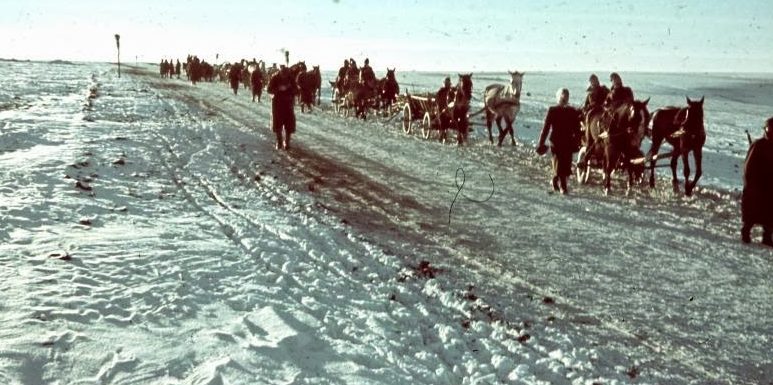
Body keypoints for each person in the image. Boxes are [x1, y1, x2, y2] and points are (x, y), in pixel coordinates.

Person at [536, 88, 582, 194]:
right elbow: (546, 128)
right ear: (559, 97)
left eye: (566, 95)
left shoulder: (572, 111)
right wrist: (541, 142)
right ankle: (563, 187)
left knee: (566, 165)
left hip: (568, 141)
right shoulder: (552, 110)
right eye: (563, 95)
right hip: (556, 142)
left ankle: (555, 179)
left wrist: (578, 141)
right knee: (559, 163)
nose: (565, 97)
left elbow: (576, 128)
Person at [741, 117, 773, 246]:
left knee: (771, 212)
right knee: (752, 211)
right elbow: (748, 166)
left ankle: (767, 236)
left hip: (771, 185)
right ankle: (746, 232)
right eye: (770, 128)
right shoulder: (758, 144)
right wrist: (751, 185)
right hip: (757, 185)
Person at [267, 65, 297, 150]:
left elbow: (296, 90)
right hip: (277, 103)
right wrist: (278, 89)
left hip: (288, 103)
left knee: (289, 124)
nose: (284, 76)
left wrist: (290, 89)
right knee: (278, 124)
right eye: (283, 74)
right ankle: (279, 141)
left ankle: (287, 142)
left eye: (286, 75)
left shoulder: (291, 78)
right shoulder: (275, 78)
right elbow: (269, 89)